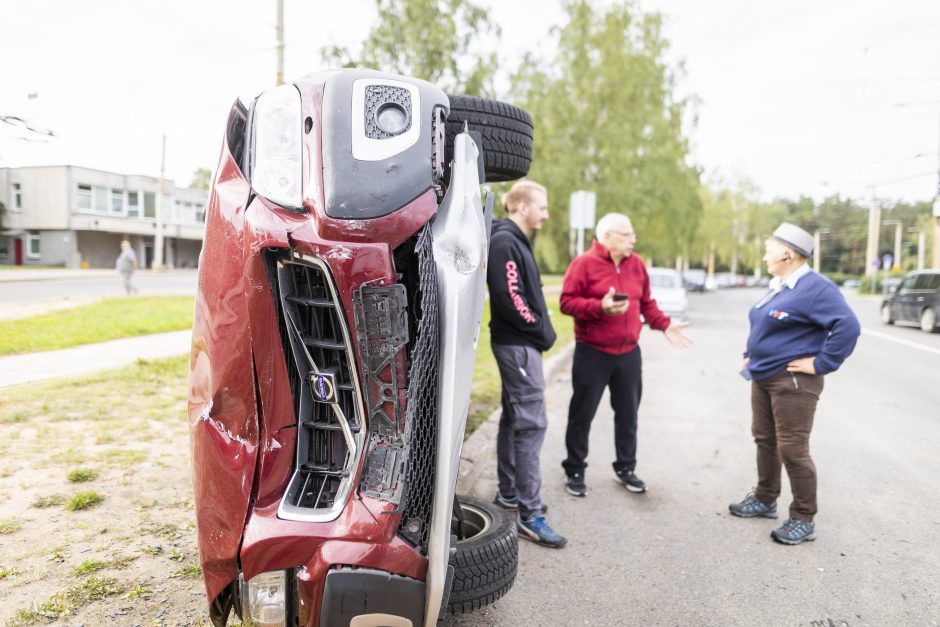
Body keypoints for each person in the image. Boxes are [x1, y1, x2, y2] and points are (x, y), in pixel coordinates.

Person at [729, 222, 860, 545]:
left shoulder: (816, 288)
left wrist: (820, 363)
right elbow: (765, 324)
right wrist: (751, 354)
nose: (764, 255)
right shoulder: (780, 284)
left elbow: (848, 327)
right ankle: (765, 498)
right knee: (764, 439)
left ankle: (803, 517)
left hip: (793, 383)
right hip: (763, 375)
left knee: (793, 449)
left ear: (789, 253)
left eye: (769, 249)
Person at [559, 212, 691, 497]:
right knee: (582, 414)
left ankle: (626, 468)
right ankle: (575, 468)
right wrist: (600, 308)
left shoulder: (637, 264)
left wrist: (665, 325)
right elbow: (566, 303)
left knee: (628, 415)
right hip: (592, 352)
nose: (634, 239)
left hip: (628, 354)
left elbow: (646, 303)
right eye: (627, 234)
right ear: (607, 237)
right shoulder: (583, 264)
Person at [486, 180, 566, 548]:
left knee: (515, 418)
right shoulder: (505, 241)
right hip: (518, 347)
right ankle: (530, 514)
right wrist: (537, 328)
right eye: (542, 207)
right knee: (532, 424)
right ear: (521, 207)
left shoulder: (513, 240)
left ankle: (510, 494)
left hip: (520, 346)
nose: (546, 215)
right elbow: (508, 296)